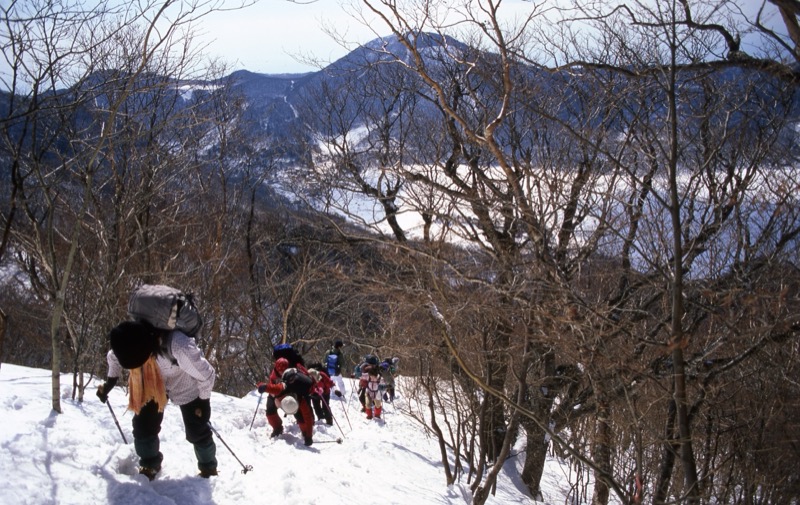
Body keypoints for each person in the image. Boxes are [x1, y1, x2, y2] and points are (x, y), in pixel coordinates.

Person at [96, 320, 218, 480]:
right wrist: (110, 382)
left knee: (197, 428)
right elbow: (113, 357)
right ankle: (149, 464)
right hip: (152, 381)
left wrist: (204, 401)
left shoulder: (179, 345)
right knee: (143, 425)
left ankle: (208, 468)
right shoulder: (130, 341)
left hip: (184, 381)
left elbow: (207, 374)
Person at [257, 356, 316, 446]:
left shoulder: (300, 398)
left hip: (292, 394)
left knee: (301, 417)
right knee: (270, 410)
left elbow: (308, 417)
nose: (280, 372)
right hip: (278, 393)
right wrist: (263, 386)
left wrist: (309, 436)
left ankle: (304, 432)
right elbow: (274, 388)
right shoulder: (283, 386)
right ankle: (277, 428)